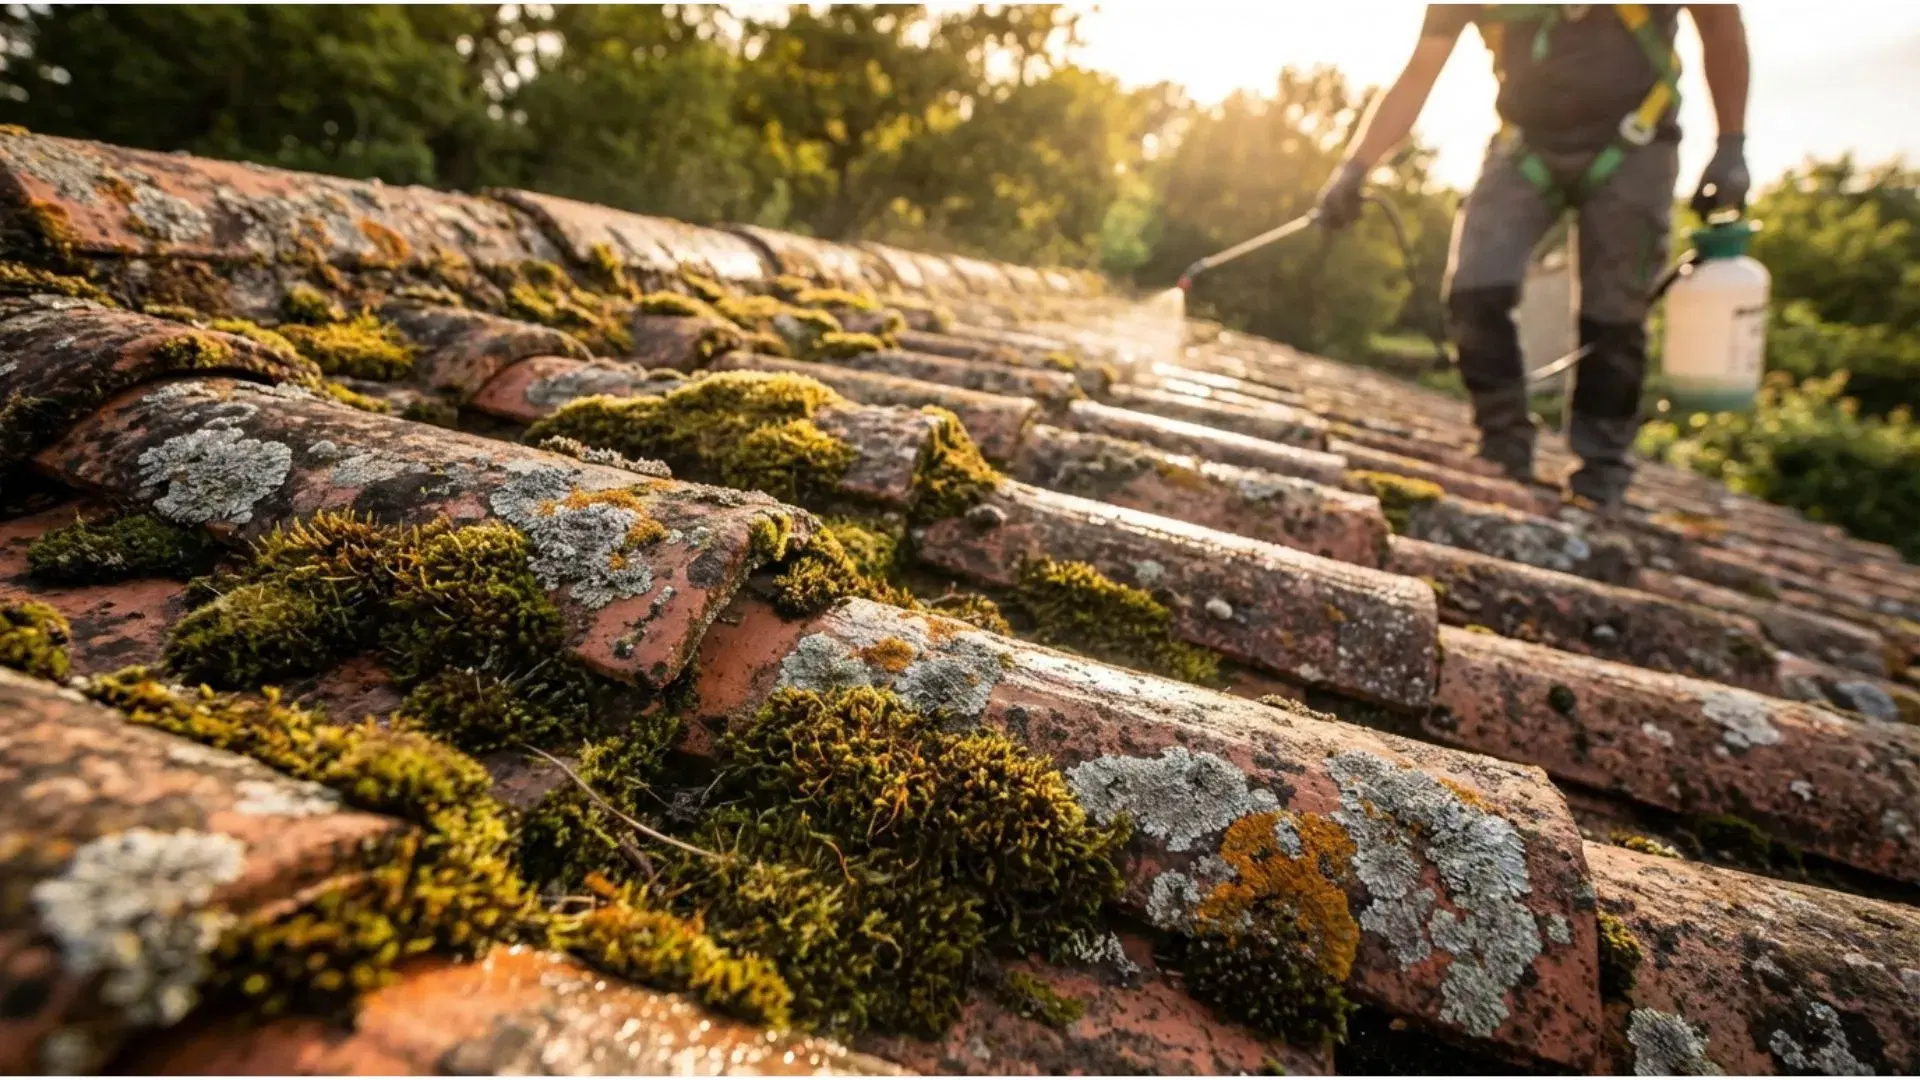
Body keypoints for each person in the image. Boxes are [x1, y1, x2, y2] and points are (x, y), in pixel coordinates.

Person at [1317, 4, 1750, 506]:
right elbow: (1419, 73)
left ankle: (1601, 472)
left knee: (1613, 317)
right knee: (1474, 289)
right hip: (1523, 146)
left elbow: (1719, 22)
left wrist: (1732, 143)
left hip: (1635, 141)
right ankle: (1503, 443)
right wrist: (1354, 166)